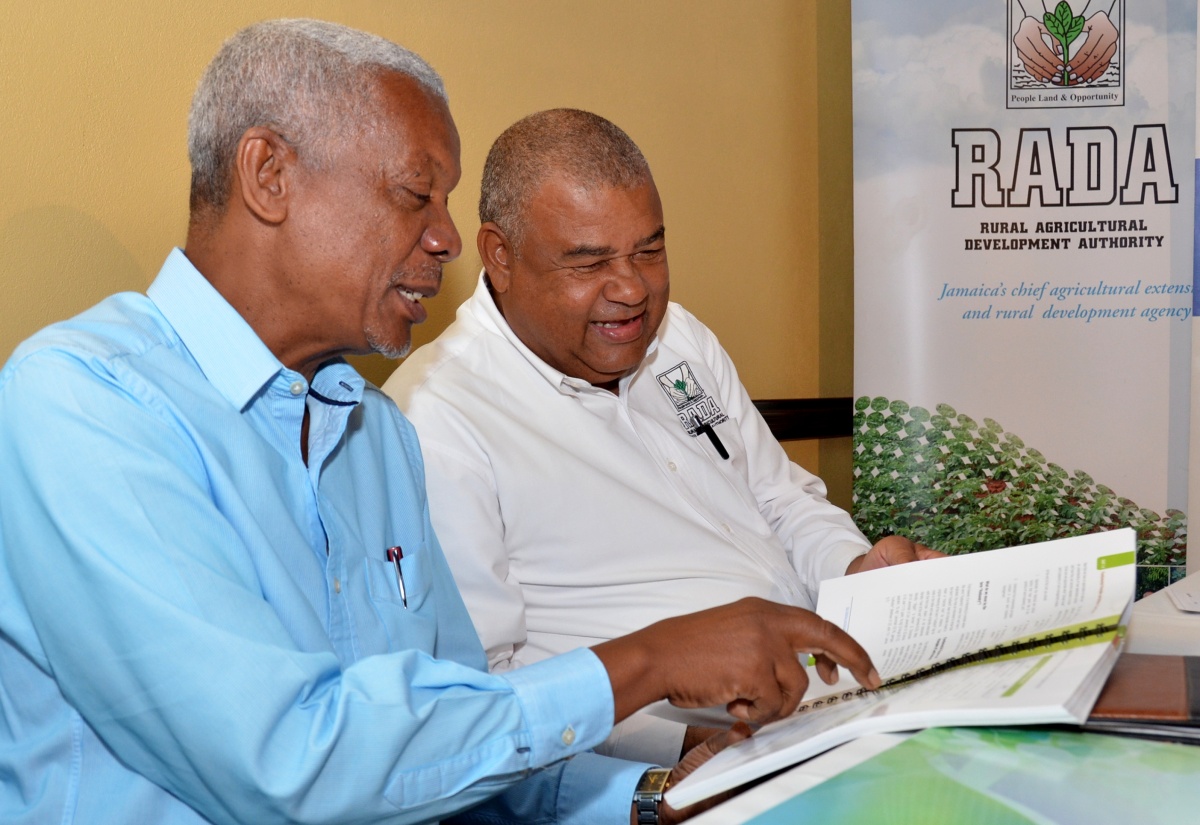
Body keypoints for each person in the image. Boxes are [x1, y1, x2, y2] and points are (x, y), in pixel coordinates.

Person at [0, 20, 881, 825]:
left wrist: (653, 797)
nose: (450, 240)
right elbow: (288, 763)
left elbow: (460, 742)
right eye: (415, 196)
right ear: (269, 176)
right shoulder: (82, 406)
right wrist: (647, 663)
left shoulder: (372, 435)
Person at [384, 108, 941, 766]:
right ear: (500, 256)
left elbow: (782, 500)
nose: (632, 288)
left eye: (650, 249)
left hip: (839, 699)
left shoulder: (678, 340)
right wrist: (683, 746)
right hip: (695, 761)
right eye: (589, 263)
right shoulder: (438, 419)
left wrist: (856, 573)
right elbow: (487, 698)